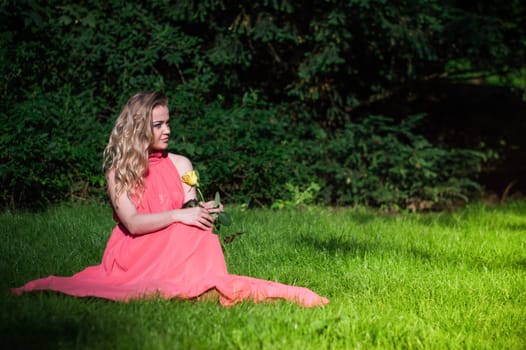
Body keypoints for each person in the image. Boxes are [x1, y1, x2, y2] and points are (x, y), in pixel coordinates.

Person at [12, 91, 329, 307]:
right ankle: (195, 288)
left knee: (199, 232)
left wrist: (204, 211)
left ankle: (203, 285)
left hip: (173, 243)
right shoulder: (119, 171)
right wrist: (180, 216)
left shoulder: (181, 164)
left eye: (168, 122)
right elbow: (133, 224)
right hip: (135, 252)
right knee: (184, 227)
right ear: (138, 129)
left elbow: (189, 211)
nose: (167, 130)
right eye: (158, 124)